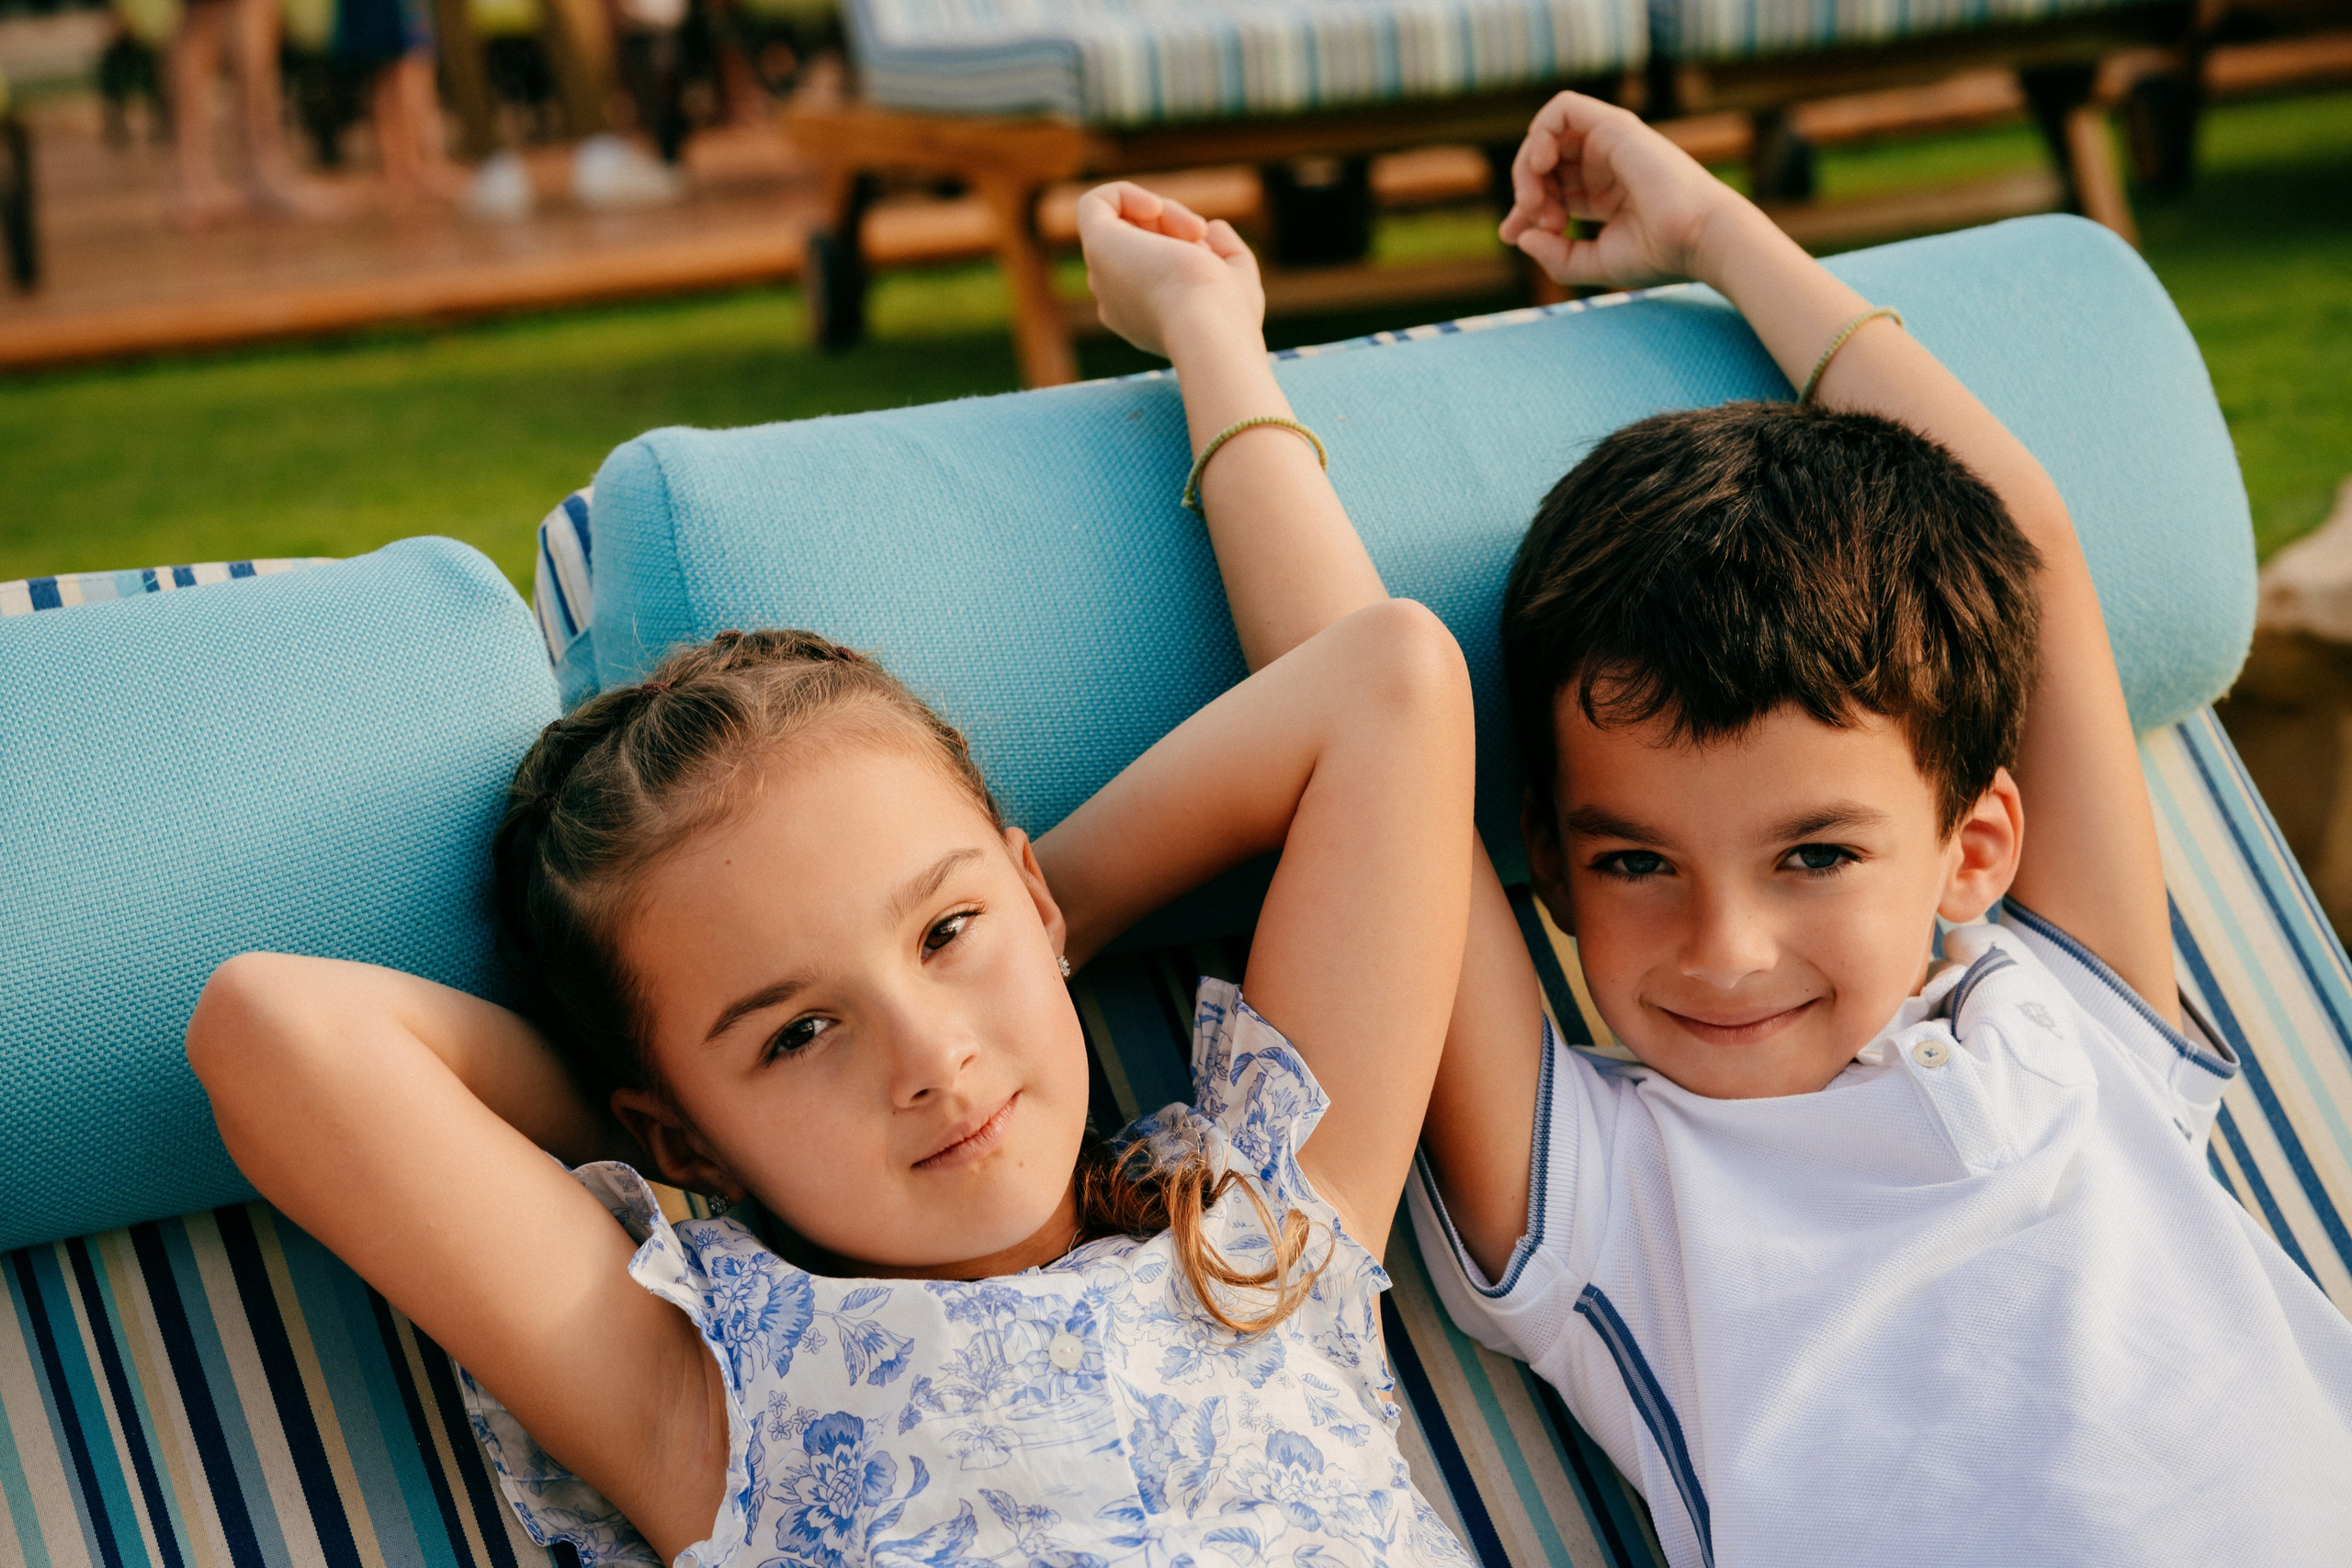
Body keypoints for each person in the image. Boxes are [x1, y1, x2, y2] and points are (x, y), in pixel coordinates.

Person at [1069, 95, 2352, 1565]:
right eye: (1634, 863)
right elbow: (1368, 694)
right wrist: (1206, 332)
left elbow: (2028, 544)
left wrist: (1710, 231)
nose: (1724, 951)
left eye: (1816, 855)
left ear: (1974, 848)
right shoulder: (1608, 1199)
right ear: (1546, 869)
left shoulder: (2075, 1012)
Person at [187, 572, 1484, 1546]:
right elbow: (273, 1031)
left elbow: (1393, 677)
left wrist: (1034, 934)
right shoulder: (713, 1399)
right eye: (797, 1033)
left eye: (947, 930)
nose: (931, 1058)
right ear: (681, 1134)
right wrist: (691, 1135)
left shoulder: (1267, 1232)